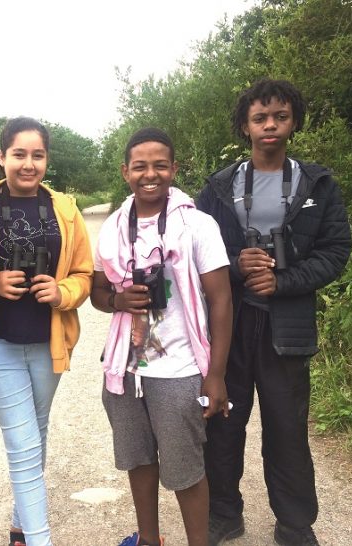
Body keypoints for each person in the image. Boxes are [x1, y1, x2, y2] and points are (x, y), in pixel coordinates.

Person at [196, 79, 352, 546]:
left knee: (286, 428)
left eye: (280, 117)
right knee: (223, 423)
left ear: (294, 121)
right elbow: (198, 249)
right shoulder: (220, 186)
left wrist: (284, 281)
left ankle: (295, 523)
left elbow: (335, 250)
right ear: (245, 125)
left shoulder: (318, 183)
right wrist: (237, 266)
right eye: (260, 118)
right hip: (231, 321)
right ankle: (223, 514)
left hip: (288, 325)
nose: (270, 126)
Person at [90, 128, 233, 546]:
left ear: (174, 168)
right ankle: (150, 540)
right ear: (125, 172)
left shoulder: (197, 225)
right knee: (138, 461)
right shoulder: (114, 227)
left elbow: (221, 301)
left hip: (180, 368)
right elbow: (98, 293)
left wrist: (217, 375)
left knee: (186, 470)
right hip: (124, 369)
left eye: (159, 165)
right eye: (139, 166)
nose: (149, 174)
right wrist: (118, 300)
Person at [0, 117, 93, 546]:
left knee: (36, 433)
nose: (28, 164)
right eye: (18, 154)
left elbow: (84, 274)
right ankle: (41, 540)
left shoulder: (65, 209)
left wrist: (62, 293)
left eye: (37, 155)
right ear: (1, 157)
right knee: (22, 448)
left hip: (48, 342)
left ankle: (21, 530)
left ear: (46, 159)